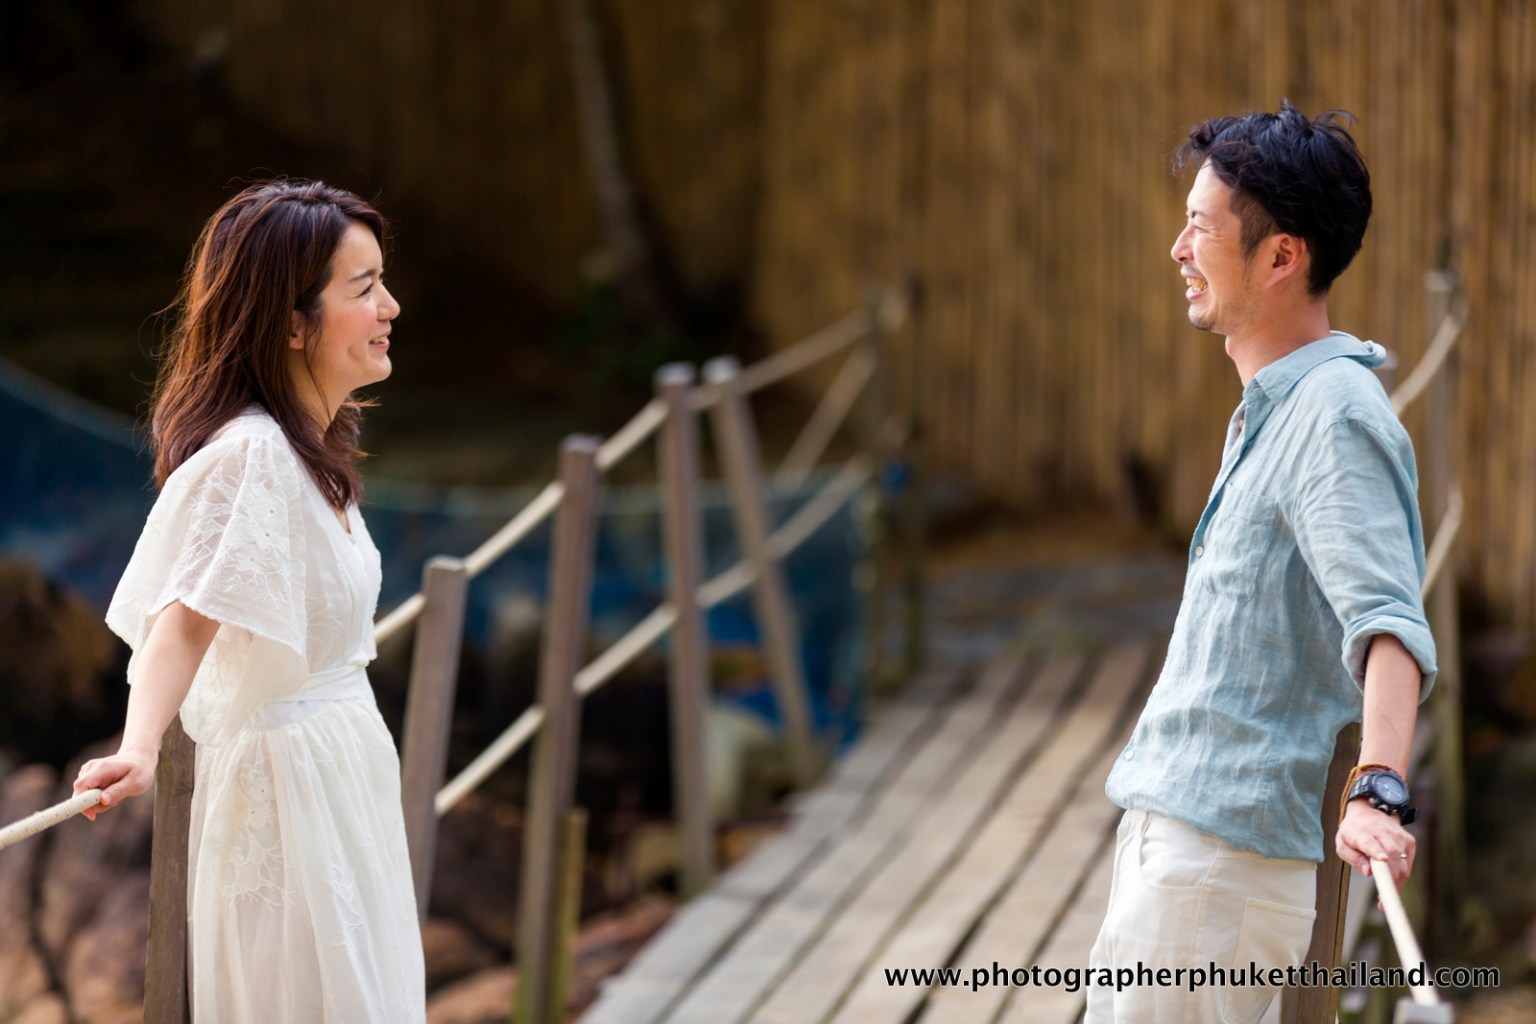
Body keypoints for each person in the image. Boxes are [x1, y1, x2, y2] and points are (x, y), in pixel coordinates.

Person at [1086, 103, 1437, 1023]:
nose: (1178, 247)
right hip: (1186, 851)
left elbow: (1388, 621)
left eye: (1201, 227)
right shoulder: (1275, 408)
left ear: (1281, 257)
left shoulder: (1334, 413)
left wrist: (1381, 791)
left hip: (1218, 873)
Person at [71, 180, 426, 1022]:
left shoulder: (314, 448)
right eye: (363, 287)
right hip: (288, 794)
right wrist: (141, 746)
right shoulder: (253, 455)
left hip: (341, 775)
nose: (392, 305)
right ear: (292, 323)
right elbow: (183, 619)